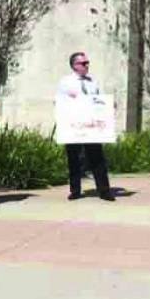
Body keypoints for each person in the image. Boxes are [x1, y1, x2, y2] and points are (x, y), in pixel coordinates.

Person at [57, 52, 114, 201]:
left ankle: (104, 190)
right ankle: (75, 190)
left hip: (91, 125)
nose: (87, 66)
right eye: (83, 63)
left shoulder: (93, 81)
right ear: (75, 65)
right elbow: (61, 102)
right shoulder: (65, 82)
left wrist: (108, 105)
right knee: (74, 158)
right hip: (74, 126)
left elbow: (100, 100)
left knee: (97, 157)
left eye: (87, 62)